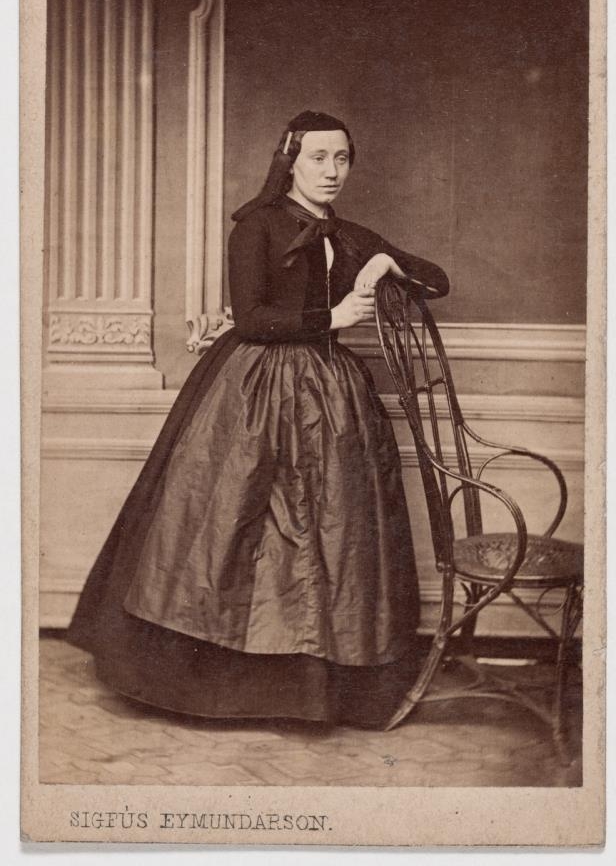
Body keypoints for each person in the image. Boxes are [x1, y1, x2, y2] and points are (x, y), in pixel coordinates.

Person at [67, 110, 449, 728]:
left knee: (330, 531)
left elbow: (437, 280)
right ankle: (222, 685)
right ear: (290, 162)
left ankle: (314, 688)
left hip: (331, 394)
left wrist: (382, 265)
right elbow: (251, 318)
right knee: (237, 526)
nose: (331, 170)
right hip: (254, 387)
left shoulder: (349, 234)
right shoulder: (257, 227)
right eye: (318, 157)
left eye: (342, 158)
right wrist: (332, 318)